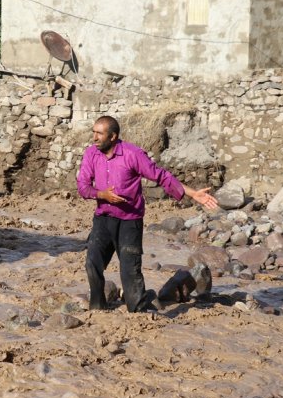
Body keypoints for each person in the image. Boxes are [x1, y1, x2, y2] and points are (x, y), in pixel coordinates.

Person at [76, 115, 218, 312]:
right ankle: (98, 307)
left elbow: (161, 176)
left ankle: (139, 311)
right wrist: (102, 195)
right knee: (92, 263)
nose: (94, 137)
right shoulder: (91, 153)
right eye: (94, 132)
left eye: (99, 133)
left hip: (129, 221)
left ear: (113, 136)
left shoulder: (132, 154)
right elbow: (83, 187)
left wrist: (193, 194)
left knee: (129, 271)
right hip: (103, 218)